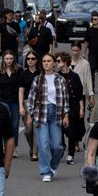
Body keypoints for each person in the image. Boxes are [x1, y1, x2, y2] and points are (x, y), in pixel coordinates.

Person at [25, 53, 68, 182]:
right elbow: (31, 98)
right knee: (43, 145)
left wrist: (66, 115)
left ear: (54, 63)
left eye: (49, 61)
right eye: (44, 61)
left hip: (56, 114)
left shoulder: (60, 79)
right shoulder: (37, 79)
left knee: (57, 146)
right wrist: (29, 115)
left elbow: (65, 99)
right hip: (41, 114)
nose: (46, 63)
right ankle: (46, 172)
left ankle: (53, 166)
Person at [57, 52, 86, 165]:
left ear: (65, 62)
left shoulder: (75, 76)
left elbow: (80, 94)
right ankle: (61, 147)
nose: (56, 63)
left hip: (73, 105)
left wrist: (81, 108)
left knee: (72, 131)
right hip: (60, 106)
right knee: (59, 130)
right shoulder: (56, 76)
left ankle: (71, 154)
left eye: (58, 61)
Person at [21, 51, 41, 161]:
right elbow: (21, 90)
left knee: (36, 126)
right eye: (28, 59)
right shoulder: (23, 74)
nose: (30, 60)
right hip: (26, 101)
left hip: (38, 103)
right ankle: (32, 148)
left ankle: (35, 153)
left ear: (36, 60)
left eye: (33, 58)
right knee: (28, 130)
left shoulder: (40, 73)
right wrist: (21, 105)